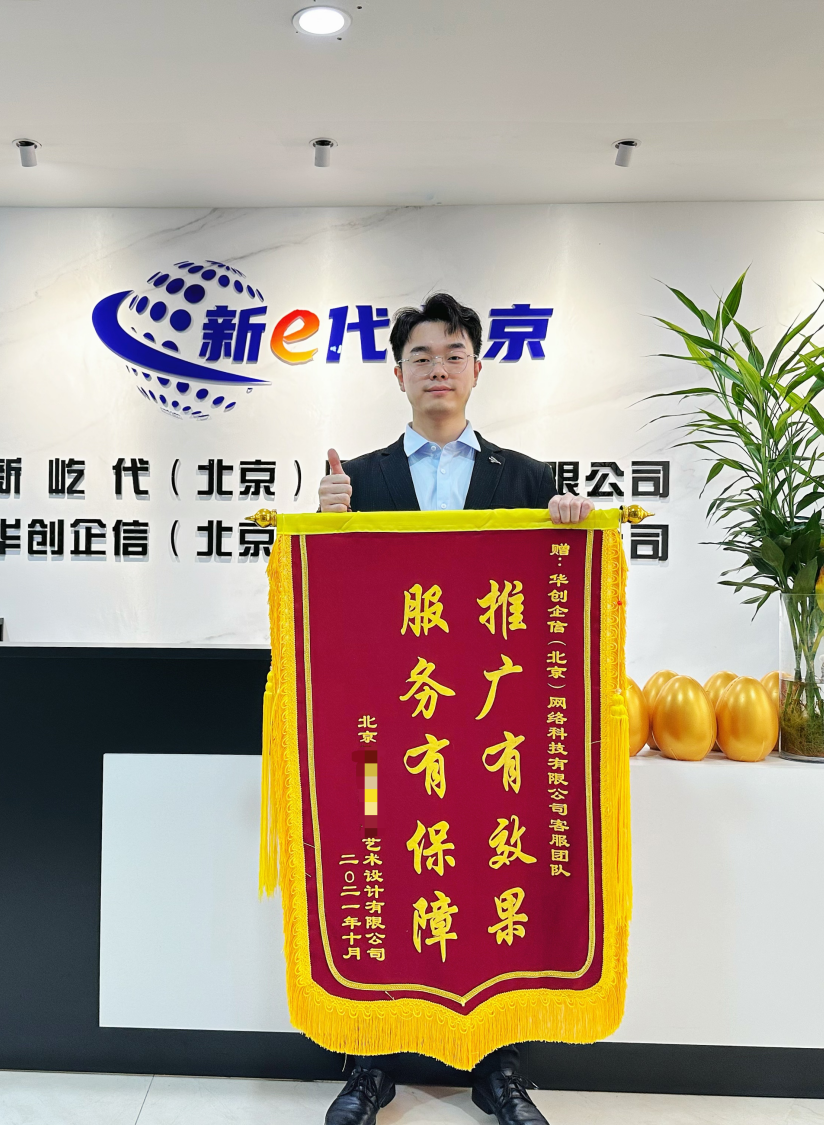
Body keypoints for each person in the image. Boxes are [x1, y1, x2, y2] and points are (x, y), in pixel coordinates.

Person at [316, 292, 593, 1125]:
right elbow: (331, 608)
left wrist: (570, 524)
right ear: (398, 374)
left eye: (453, 354)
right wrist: (327, 527)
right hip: (382, 727)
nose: (438, 369)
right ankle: (368, 1063)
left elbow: (553, 599)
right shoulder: (356, 480)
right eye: (422, 356)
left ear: (477, 369)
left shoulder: (530, 478)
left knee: (493, 873)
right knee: (378, 873)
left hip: (490, 729)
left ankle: (498, 1068)